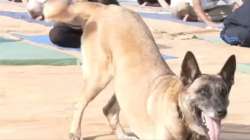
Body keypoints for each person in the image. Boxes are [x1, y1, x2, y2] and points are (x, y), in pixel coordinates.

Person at [27, 0, 119, 48]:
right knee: (57, 35)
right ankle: (94, 43)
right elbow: (34, 10)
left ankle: (110, 38)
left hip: (99, 17)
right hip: (74, 24)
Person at [170, 0, 243, 28]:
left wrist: (238, 9)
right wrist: (209, 22)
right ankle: (204, 17)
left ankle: (196, 18)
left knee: (230, 10)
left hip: (206, 11)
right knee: (181, 7)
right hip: (188, 7)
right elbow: (196, 6)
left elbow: (237, 4)